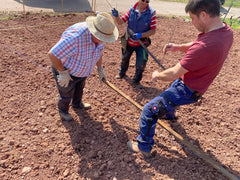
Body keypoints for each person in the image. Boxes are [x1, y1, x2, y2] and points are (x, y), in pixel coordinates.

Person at [127, 0, 233, 158]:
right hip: (196, 86)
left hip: (187, 89)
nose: (192, 22)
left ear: (203, 15)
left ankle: (143, 146)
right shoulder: (226, 31)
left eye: (193, 18)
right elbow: (200, 43)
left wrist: (157, 75)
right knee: (172, 91)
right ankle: (169, 114)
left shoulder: (204, 48)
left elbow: (173, 73)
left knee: (149, 110)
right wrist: (178, 46)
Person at [48, 12, 119, 121]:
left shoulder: (102, 34)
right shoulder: (75, 38)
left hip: (82, 71)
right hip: (65, 69)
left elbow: (98, 51)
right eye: (102, 38)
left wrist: (100, 68)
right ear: (94, 33)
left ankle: (77, 104)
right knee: (66, 92)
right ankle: (63, 111)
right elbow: (52, 54)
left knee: (79, 88)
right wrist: (62, 73)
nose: (104, 41)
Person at [111, 0, 157, 89]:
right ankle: (121, 73)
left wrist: (141, 35)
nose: (144, 2)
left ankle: (136, 81)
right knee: (124, 58)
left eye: (147, 1)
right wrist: (116, 16)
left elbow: (153, 30)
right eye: (143, 0)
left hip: (142, 43)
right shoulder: (132, 9)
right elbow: (120, 22)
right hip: (129, 41)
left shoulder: (151, 13)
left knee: (142, 62)